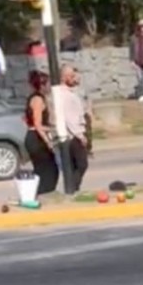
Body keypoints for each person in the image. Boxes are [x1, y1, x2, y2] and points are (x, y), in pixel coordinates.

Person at [24, 69, 59, 195]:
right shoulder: (38, 100)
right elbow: (38, 125)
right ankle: (43, 193)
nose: (50, 86)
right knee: (47, 170)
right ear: (42, 85)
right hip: (36, 139)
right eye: (48, 83)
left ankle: (42, 192)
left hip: (34, 137)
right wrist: (48, 140)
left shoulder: (35, 98)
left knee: (47, 169)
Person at [59, 65, 89, 193]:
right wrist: (80, 135)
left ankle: (73, 187)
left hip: (72, 134)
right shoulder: (66, 95)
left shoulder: (71, 93)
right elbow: (70, 118)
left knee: (74, 165)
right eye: (71, 76)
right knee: (82, 164)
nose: (74, 78)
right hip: (72, 136)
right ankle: (73, 188)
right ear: (65, 77)